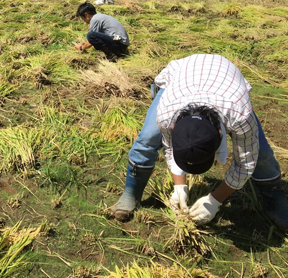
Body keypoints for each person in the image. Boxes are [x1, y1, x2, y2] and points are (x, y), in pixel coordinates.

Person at [111, 54, 288, 232]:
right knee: (147, 138)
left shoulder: (239, 114)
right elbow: (171, 148)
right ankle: (131, 192)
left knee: (261, 152)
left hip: (225, 81)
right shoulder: (167, 114)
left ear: (221, 133)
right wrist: (179, 186)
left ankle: (273, 194)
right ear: (174, 128)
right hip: (182, 77)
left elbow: (245, 162)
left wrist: (215, 200)